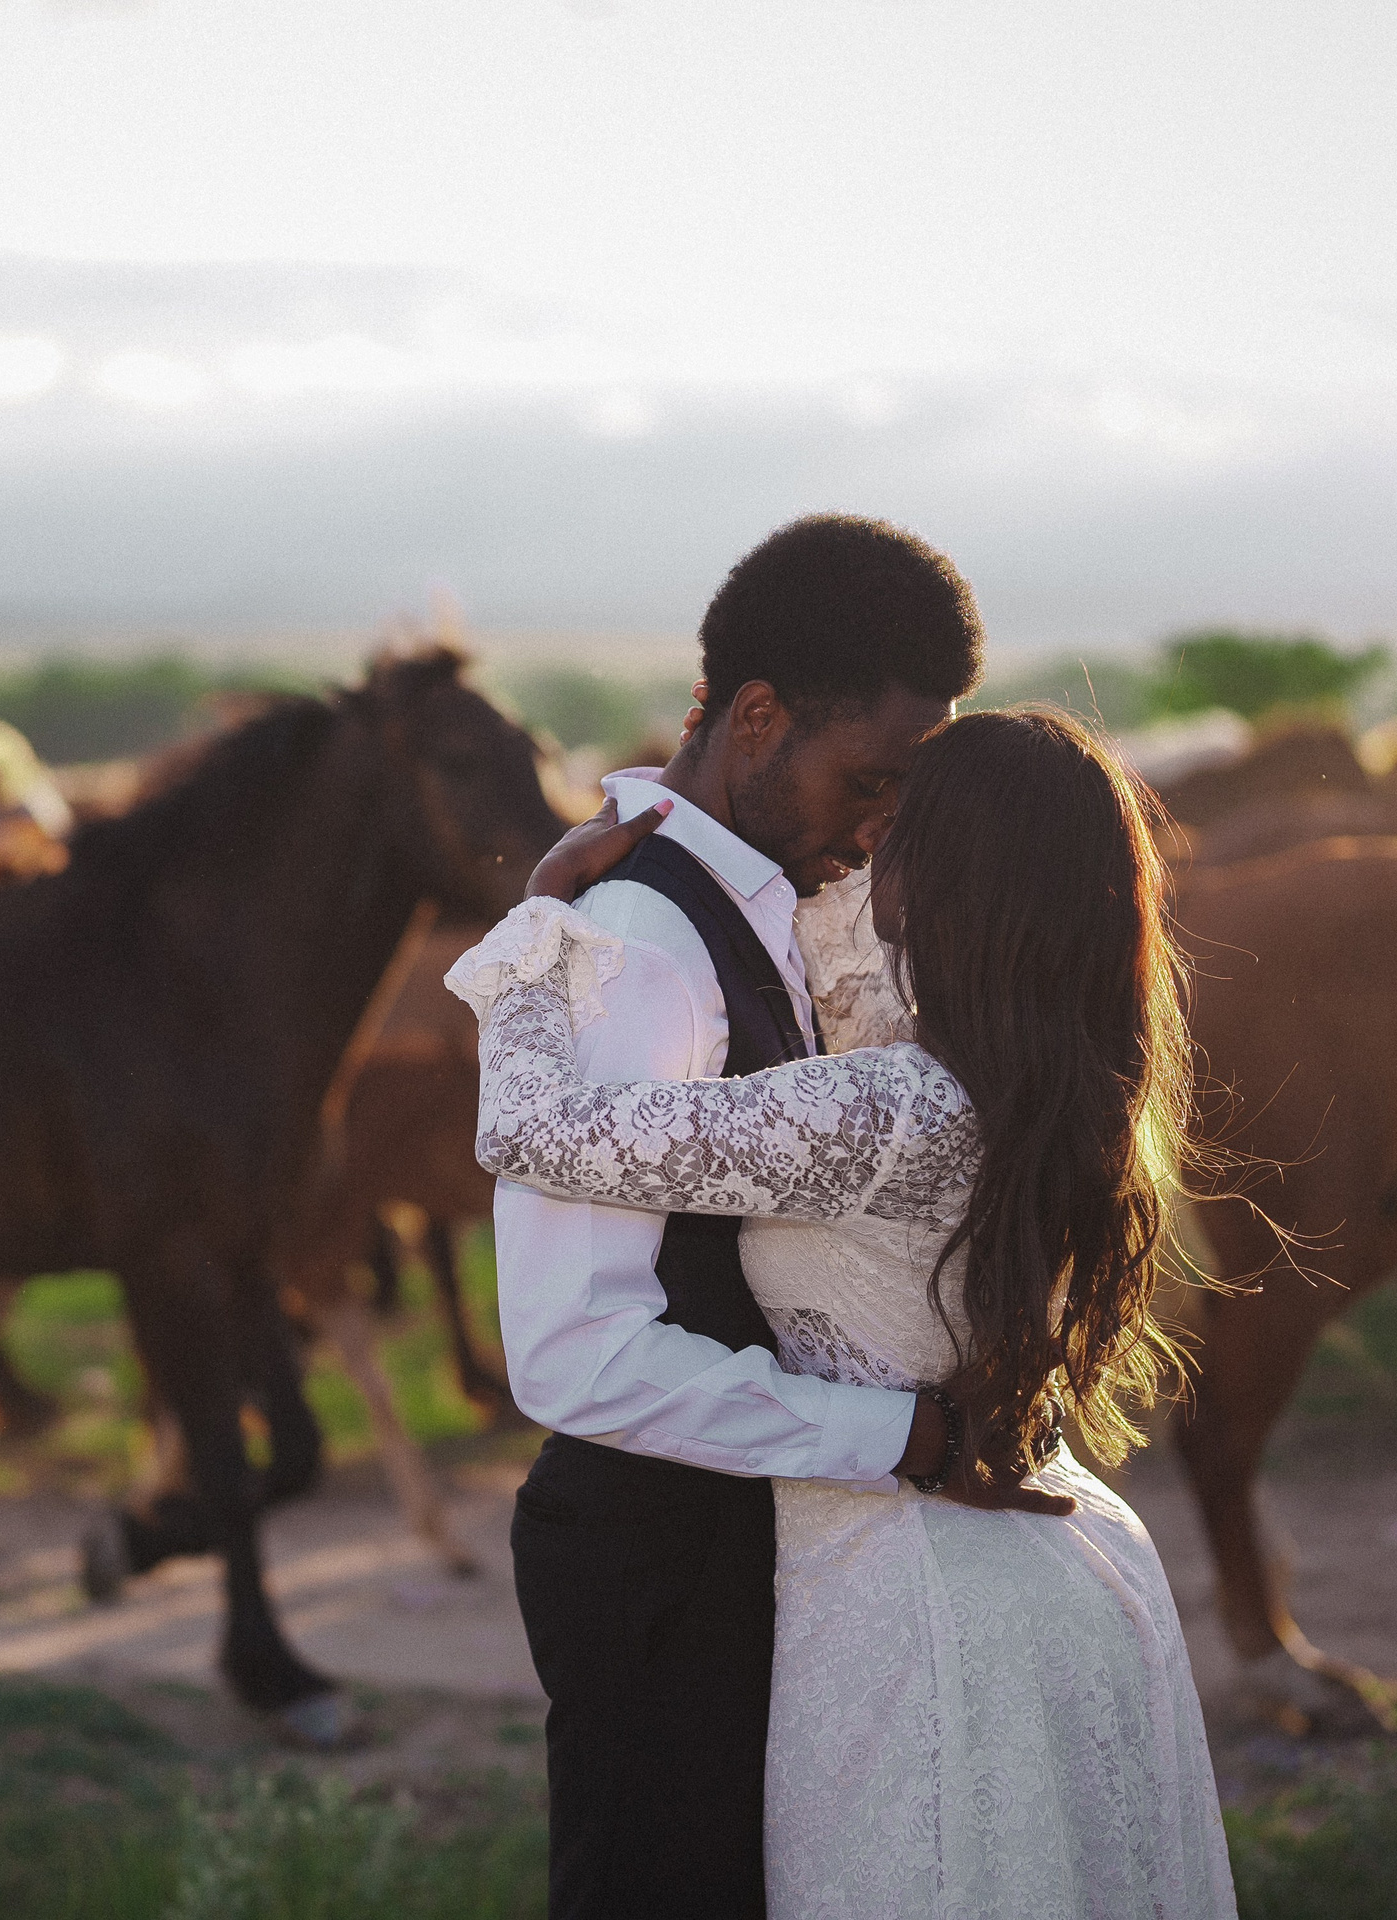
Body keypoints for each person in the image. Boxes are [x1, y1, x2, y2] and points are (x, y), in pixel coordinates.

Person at [454, 704, 1236, 1917]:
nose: (868, 844)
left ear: (952, 878)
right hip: (1056, 1567)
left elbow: (531, 1129)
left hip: (910, 1596)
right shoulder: (1051, 1074)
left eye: (898, 825)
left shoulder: (879, 1111)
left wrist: (539, 922)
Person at [485, 514, 1072, 1920]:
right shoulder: (633, 943)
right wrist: (902, 1438)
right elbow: (574, 1352)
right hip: (660, 1559)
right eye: (868, 782)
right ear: (757, 719)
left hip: (760, 1533)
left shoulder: (776, 901)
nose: (881, 830)